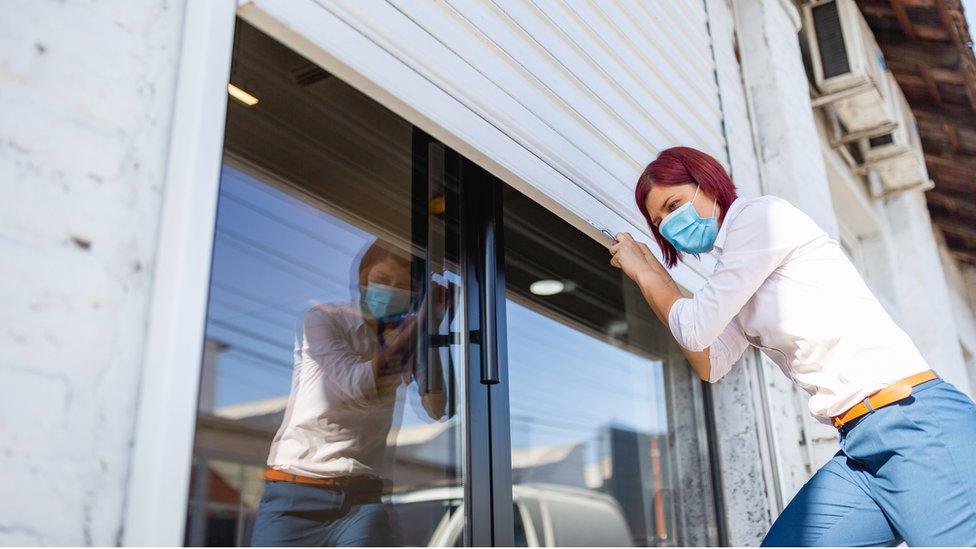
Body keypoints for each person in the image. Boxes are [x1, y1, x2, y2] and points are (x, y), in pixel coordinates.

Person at [608, 146, 976, 546]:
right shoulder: (737, 274)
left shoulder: (759, 219)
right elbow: (708, 361)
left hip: (913, 422)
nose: (668, 226)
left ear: (707, 183)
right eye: (659, 222)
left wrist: (646, 274)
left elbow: (694, 328)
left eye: (674, 204)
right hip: (860, 444)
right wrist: (655, 278)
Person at [251, 238, 447, 546]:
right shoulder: (322, 320)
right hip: (295, 496)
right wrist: (422, 323)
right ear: (362, 281)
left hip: (362, 501)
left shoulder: (407, 337)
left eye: (403, 286)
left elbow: (438, 407)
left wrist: (430, 332)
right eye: (382, 280)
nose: (390, 290)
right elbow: (361, 385)